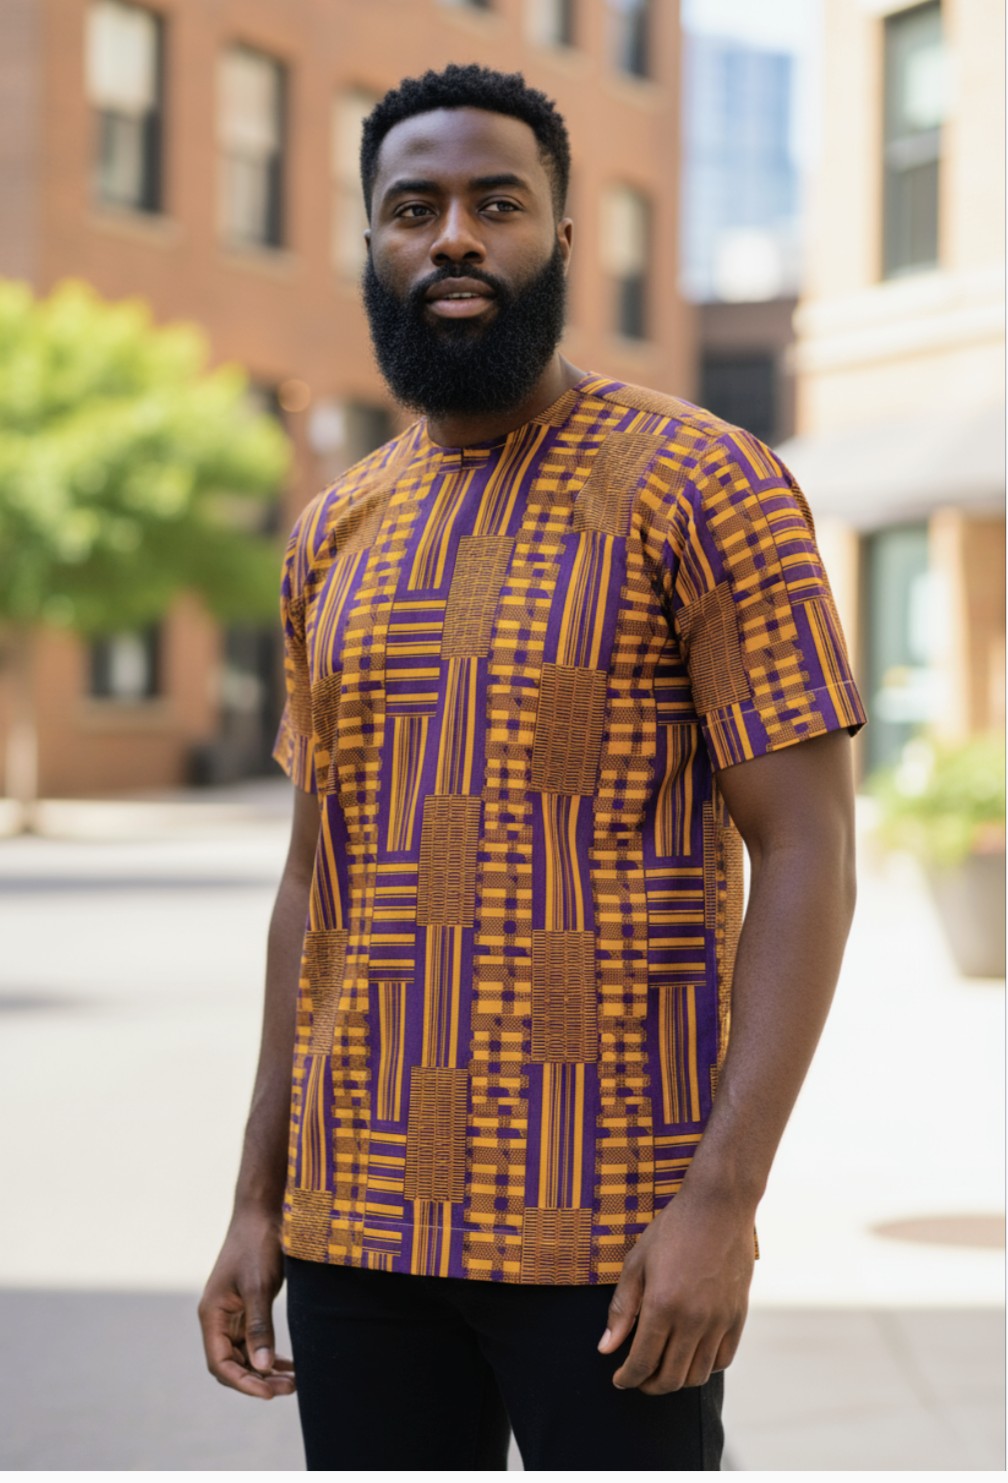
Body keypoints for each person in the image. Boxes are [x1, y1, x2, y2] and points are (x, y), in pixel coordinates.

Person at [198, 63, 866, 1471]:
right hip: (360, 1229)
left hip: (615, 1233)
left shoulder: (709, 484)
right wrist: (261, 1195)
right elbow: (315, 883)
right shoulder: (334, 530)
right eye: (413, 207)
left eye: (496, 204)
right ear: (371, 243)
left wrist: (721, 1205)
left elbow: (807, 851)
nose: (453, 236)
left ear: (562, 241)